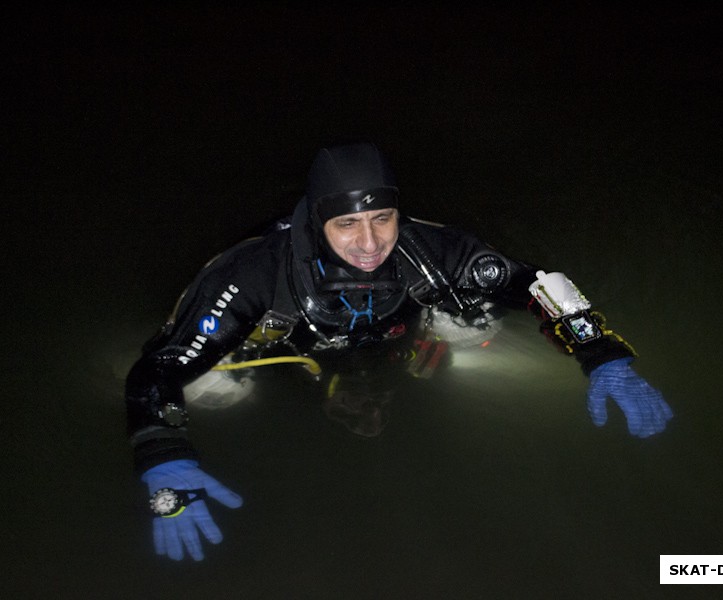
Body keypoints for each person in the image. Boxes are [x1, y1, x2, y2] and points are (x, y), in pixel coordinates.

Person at [125, 142, 673, 561]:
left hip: (399, 338)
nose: (369, 243)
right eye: (347, 224)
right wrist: (164, 459)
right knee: (204, 388)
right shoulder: (251, 273)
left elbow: (536, 284)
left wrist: (602, 354)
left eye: (381, 219)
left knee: (480, 329)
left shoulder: (433, 252)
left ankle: (436, 355)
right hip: (285, 350)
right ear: (317, 222)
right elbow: (159, 364)